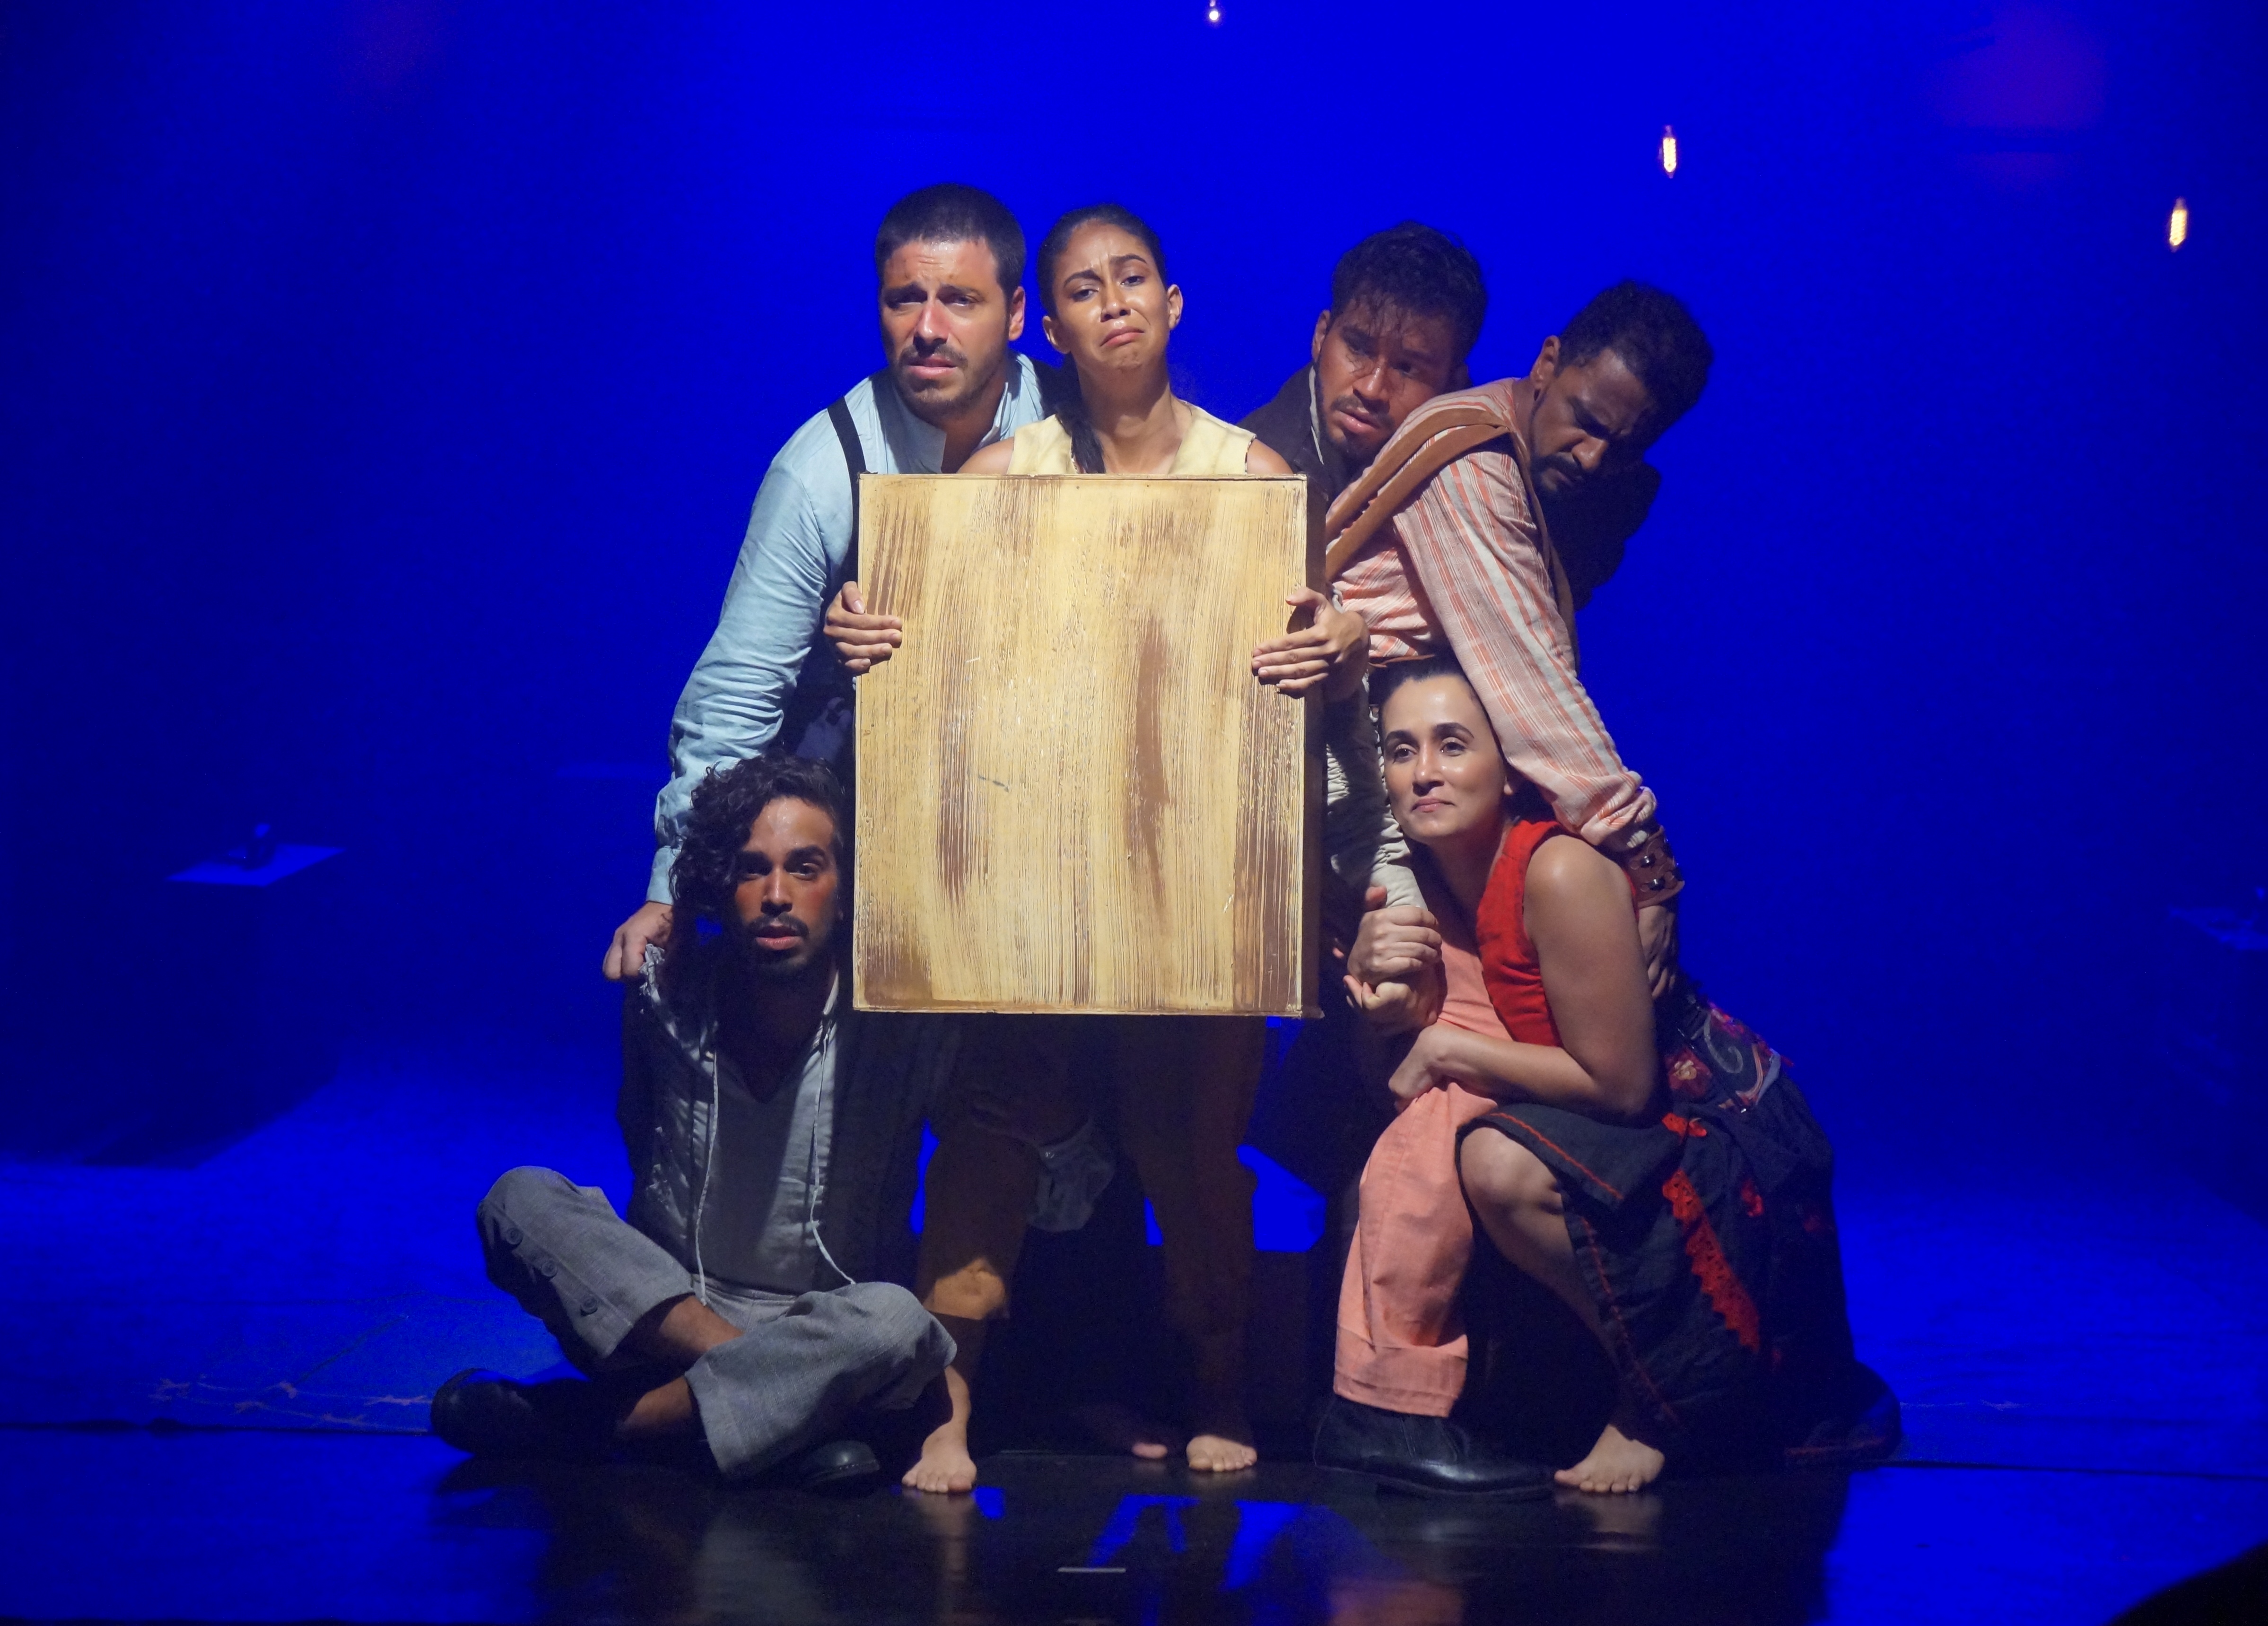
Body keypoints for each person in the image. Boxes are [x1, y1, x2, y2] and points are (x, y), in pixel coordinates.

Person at [825, 203, 1367, 1493]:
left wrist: (1337, 644)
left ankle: (1220, 1385)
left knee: (1190, 1148)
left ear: (1173, 305)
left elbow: (1310, 640)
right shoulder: (1009, 474)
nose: (1112, 301)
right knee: (992, 1121)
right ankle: (946, 1410)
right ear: (1047, 326)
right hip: (1037, 878)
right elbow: (915, 623)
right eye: (1081, 287)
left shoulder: (1247, 479)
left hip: (1195, 881)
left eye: (1133, 279)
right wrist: (867, 619)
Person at [1317, 658, 1896, 1496]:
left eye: (1454, 745)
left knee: (1494, 1161)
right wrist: (1381, 1013)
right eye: (1402, 752)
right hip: (1584, 1119)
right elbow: (1396, 1087)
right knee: (1430, 1148)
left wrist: (1453, 1052)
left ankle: (1659, 1399)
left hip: (1705, 1125)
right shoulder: (1413, 887)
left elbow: (1624, 1086)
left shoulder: (1556, 869)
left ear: (1508, 768)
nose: (1427, 772)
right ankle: (1398, 1400)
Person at [434, 756, 959, 1489]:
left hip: (823, 1323)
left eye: (805, 869)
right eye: (752, 871)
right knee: (518, 1200)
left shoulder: (897, 1024)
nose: (777, 895)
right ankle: (788, 1417)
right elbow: (637, 1128)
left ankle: (596, 1426)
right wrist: (756, 1362)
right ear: (721, 886)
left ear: (845, 891)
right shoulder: (666, 997)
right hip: (661, 1315)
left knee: (894, 1321)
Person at [602, 183, 1058, 984]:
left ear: (1016, 314)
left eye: (960, 300)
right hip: (868, 828)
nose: (928, 328)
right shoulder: (822, 468)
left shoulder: (1078, 421)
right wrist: (670, 892)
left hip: (1044, 818)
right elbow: (738, 693)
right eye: (904, 299)